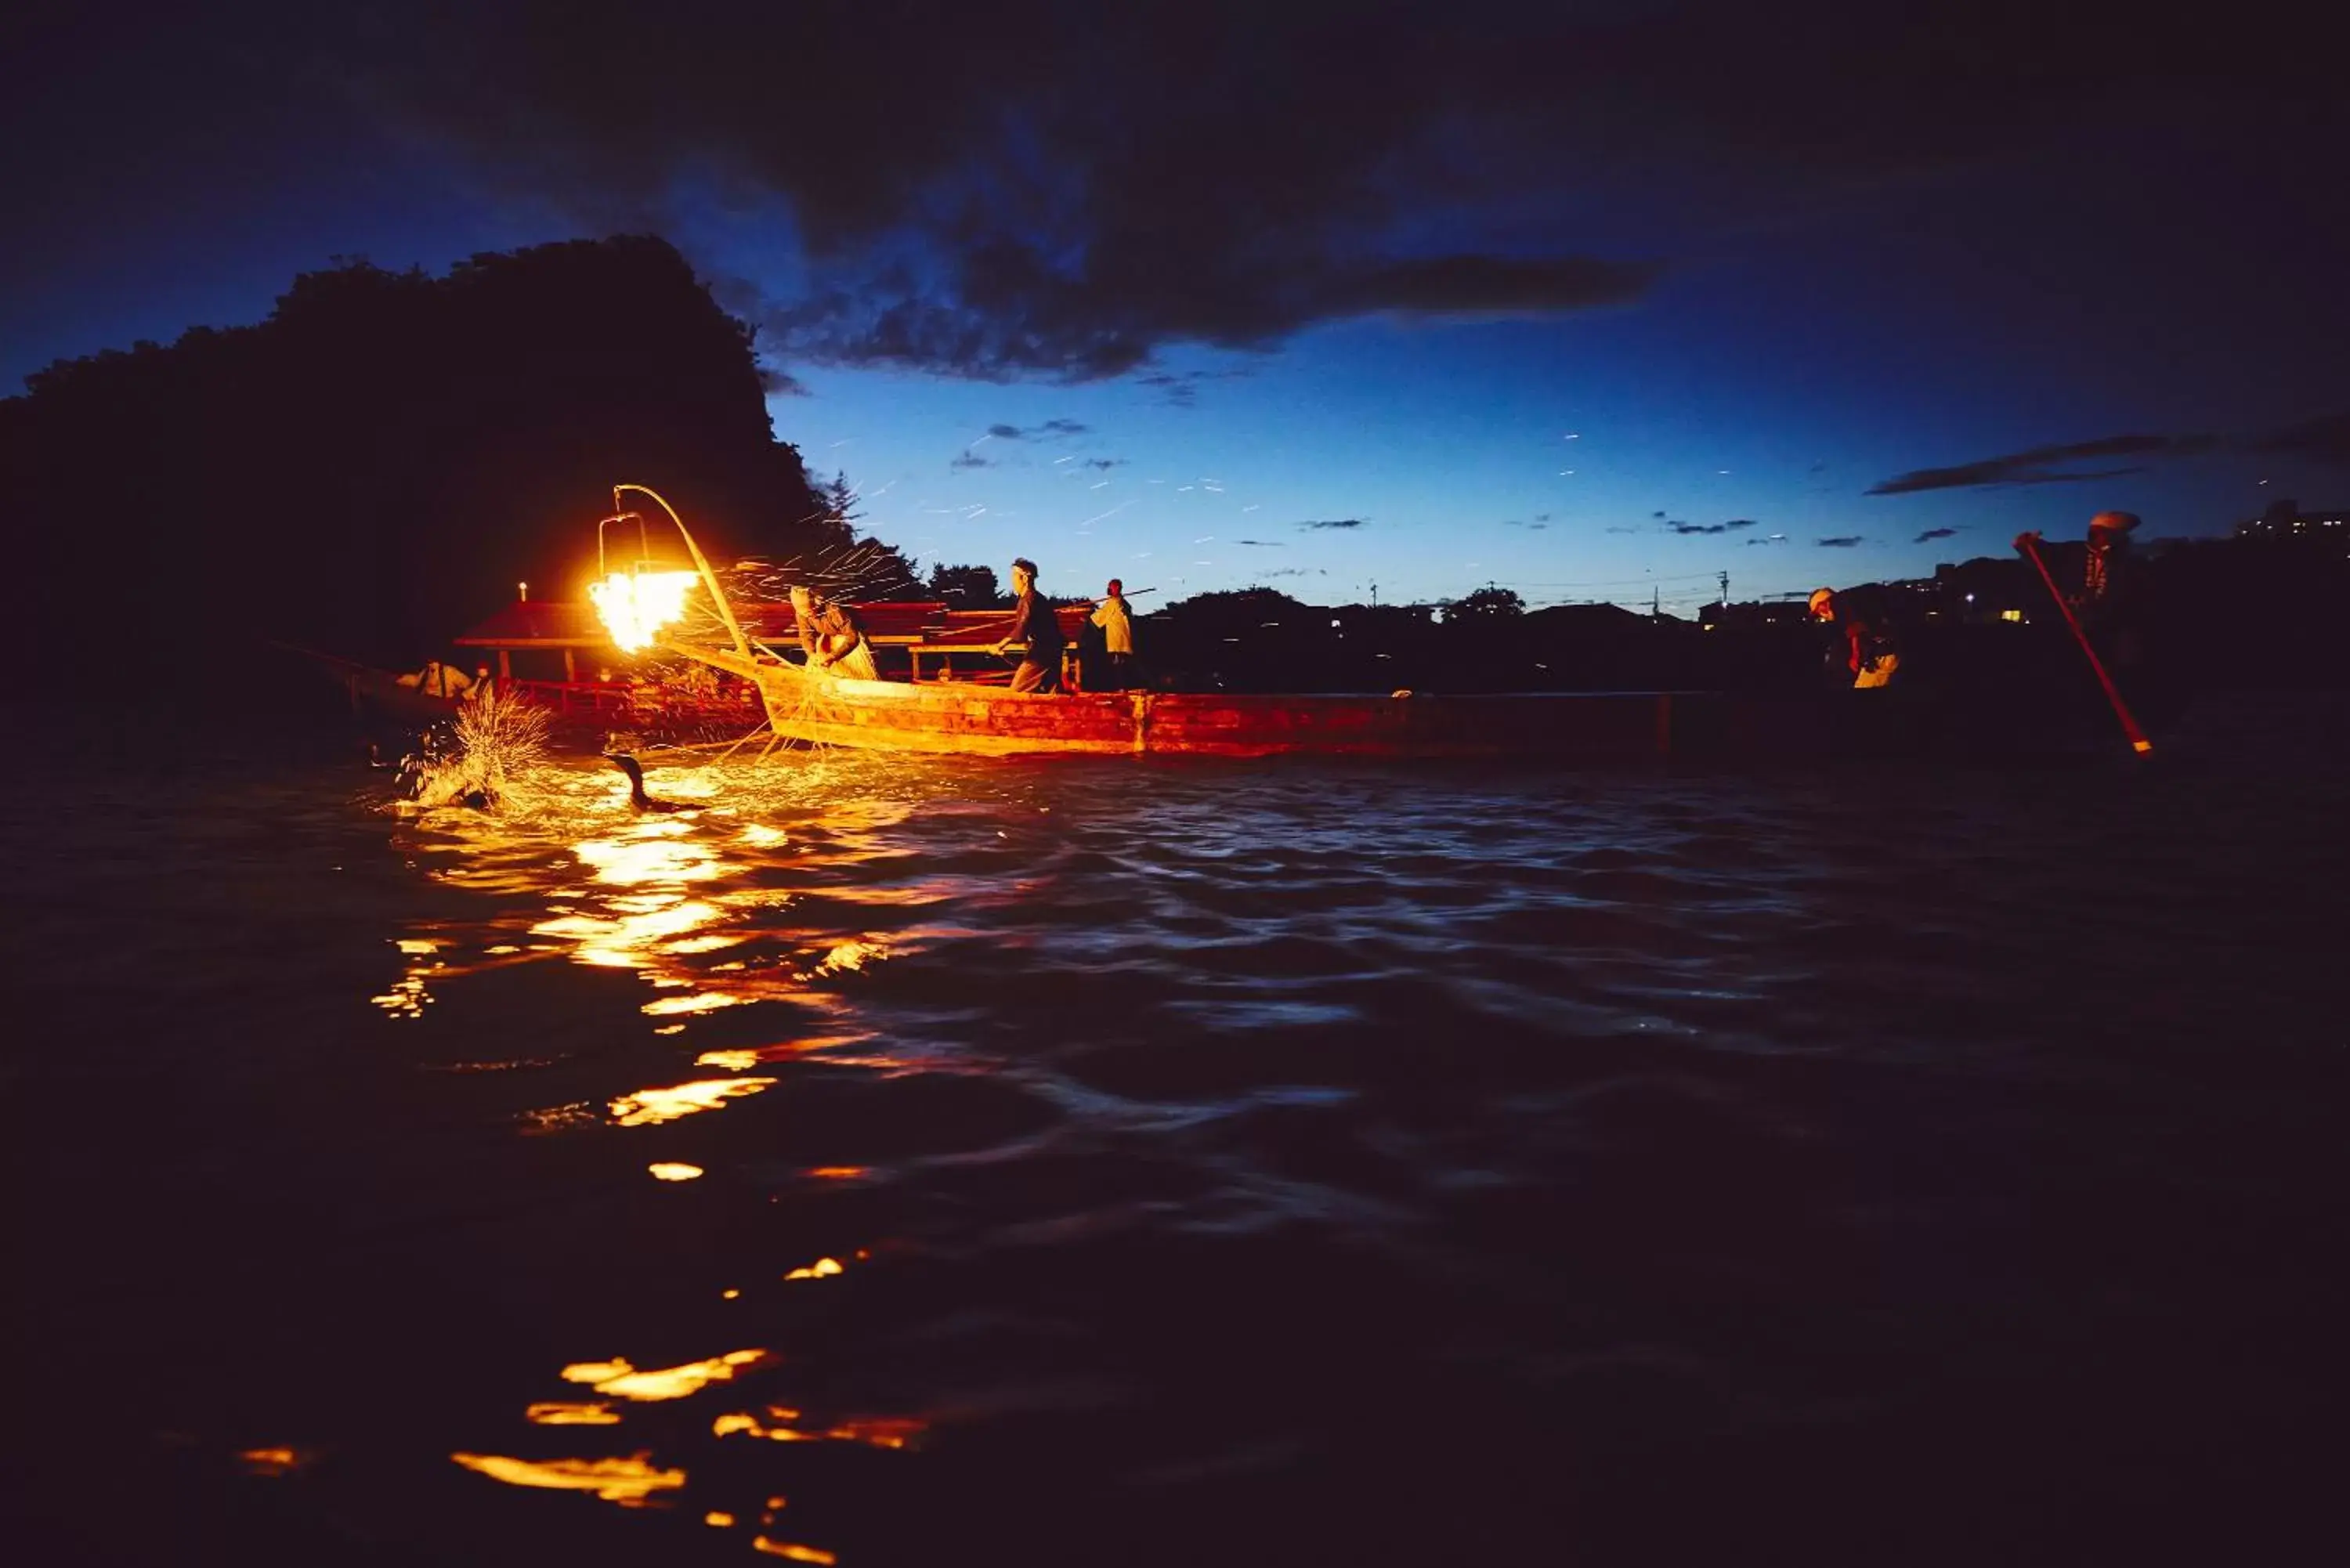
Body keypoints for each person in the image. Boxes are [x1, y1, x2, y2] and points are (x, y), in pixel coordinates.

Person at [993, 557, 1065, 693]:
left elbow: (1022, 628)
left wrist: (1000, 645)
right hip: (1051, 650)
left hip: (1042, 653)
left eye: (1015, 576)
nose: (1012, 580)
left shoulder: (1029, 599)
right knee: (1053, 693)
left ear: (1025, 579)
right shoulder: (1036, 598)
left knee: (1017, 691)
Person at [1809, 586, 1900, 688]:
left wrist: (1855, 656)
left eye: (1818, 611)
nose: (1821, 615)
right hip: (1886, 653)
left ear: (1824, 603)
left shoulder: (1837, 603)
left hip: (1883, 656)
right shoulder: (1852, 604)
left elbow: (1856, 628)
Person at [790, 583, 880, 681]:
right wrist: (812, 654)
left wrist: (833, 656)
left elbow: (853, 637)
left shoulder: (834, 610)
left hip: (848, 644)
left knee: (859, 680)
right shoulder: (801, 614)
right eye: (803, 613)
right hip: (827, 640)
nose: (807, 615)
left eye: (809, 612)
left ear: (816, 604)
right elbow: (806, 635)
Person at [1090, 577, 1135, 690]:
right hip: (1118, 637)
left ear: (1118, 588)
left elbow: (1100, 616)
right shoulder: (1117, 602)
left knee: (1118, 663)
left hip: (1118, 638)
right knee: (1119, 662)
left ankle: (1121, 686)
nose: (1112, 589)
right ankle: (1121, 686)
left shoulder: (1115, 603)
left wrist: (1088, 618)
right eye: (1111, 587)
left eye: (1114, 587)